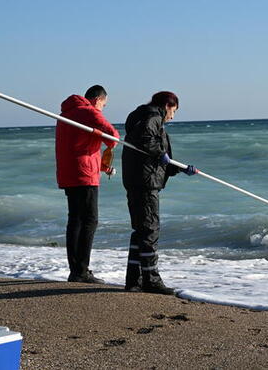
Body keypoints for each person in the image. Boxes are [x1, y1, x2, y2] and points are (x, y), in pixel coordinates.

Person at [121, 91, 197, 295]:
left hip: (137, 180)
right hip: (146, 182)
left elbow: (157, 156)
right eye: (174, 111)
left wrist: (181, 168)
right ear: (167, 106)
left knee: (141, 230)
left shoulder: (143, 117)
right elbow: (146, 142)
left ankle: (134, 280)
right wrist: (161, 154)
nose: (172, 116)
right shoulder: (153, 117)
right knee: (150, 230)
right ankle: (151, 280)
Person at [56, 85, 120, 283]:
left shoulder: (65, 115)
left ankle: (75, 270)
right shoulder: (88, 111)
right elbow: (113, 136)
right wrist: (101, 136)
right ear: (97, 99)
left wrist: (102, 165)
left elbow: (78, 146)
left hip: (69, 173)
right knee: (90, 220)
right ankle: (81, 271)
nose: (102, 109)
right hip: (85, 175)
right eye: (104, 105)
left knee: (75, 219)